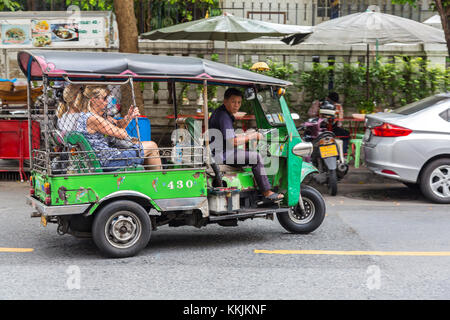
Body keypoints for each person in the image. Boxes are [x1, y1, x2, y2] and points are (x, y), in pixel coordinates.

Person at [208, 87, 283, 202]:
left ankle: (256, 188)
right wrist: (252, 136)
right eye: (233, 102)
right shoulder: (223, 116)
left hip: (222, 152)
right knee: (256, 157)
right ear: (225, 101)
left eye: (239, 102)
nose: (236, 105)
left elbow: (230, 137)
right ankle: (267, 192)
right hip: (223, 155)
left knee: (252, 153)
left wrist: (248, 134)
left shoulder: (222, 113)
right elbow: (232, 141)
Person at [75, 85, 162, 170]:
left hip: (104, 157)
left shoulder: (90, 115)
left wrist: (129, 117)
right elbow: (121, 134)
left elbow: (118, 125)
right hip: (108, 160)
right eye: (104, 99)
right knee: (152, 146)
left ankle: (149, 179)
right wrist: (122, 132)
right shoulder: (94, 118)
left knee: (143, 147)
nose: (107, 102)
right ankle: (158, 180)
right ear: (93, 100)